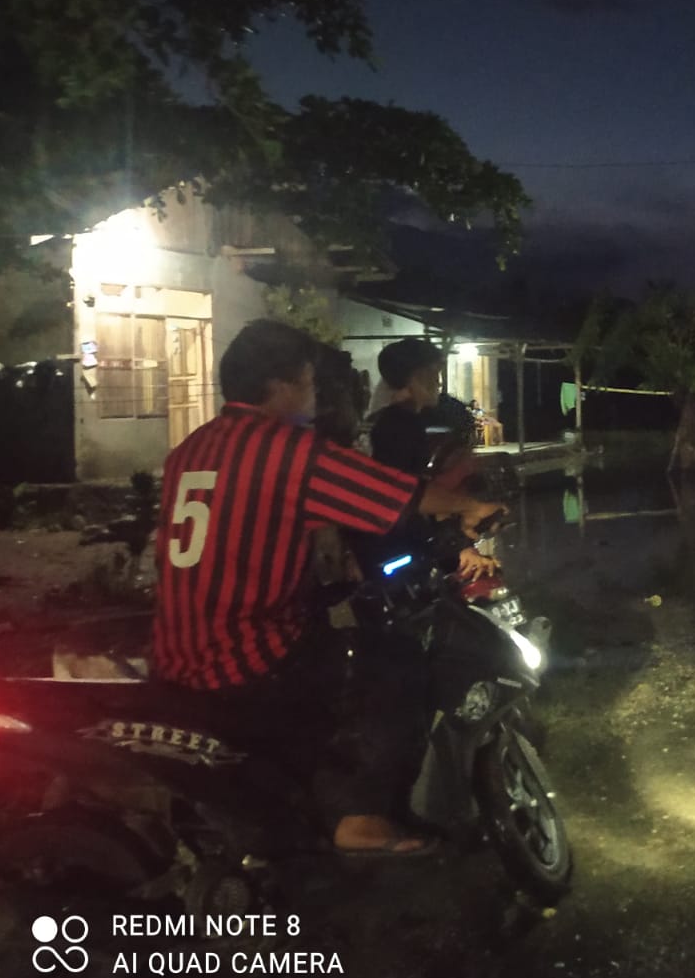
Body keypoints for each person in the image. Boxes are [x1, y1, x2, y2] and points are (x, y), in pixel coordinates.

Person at [151, 320, 503, 856]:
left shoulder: (191, 449)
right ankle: (361, 815)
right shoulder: (288, 450)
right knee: (395, 662)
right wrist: (469, 508)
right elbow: (395, 495)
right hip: (246, 655)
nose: (316, 396)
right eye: (310, 382)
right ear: (281, 385)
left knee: (327, 630)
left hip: (178, 650)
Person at [368, 338, 496, 577]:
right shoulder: (399, 426)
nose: (438, 382)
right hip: (398, 549)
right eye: (433, 373)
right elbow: (406, 493)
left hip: (402, 542)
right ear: (414, 377)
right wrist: (470, 514)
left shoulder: (400, 420)